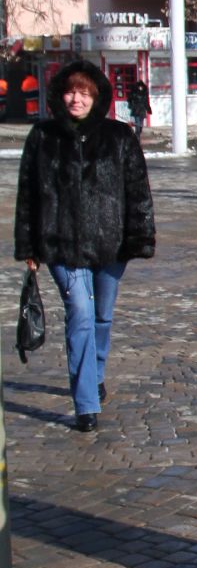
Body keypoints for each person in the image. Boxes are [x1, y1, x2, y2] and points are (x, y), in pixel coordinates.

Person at [13, 59, 156, 433]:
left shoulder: (119, 136)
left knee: (102, 318)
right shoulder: (43, 137)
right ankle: (86, 403)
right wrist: (28, 244)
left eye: (84, 93)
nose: (76, 99)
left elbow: (137, 191)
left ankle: (95, 374)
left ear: (97, 97)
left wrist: (138, 238)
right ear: (61, 95)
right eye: (70, 92)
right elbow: (28, 194)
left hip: (111, 246)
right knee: (80, 314)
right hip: (61, 245)